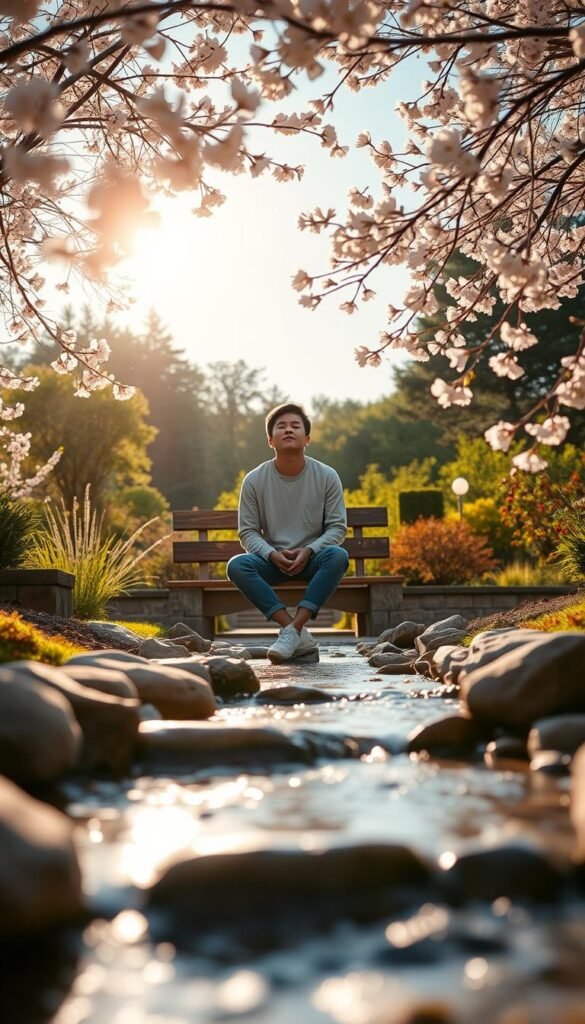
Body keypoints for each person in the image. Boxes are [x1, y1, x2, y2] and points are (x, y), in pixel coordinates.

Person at [227, 402, 349, 663]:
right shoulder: (254, 480)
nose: (288, 430)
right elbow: (247, 532)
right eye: (281, 427)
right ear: (270, 440)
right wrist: (271, 555)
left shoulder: (327, 476)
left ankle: (293, 628)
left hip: (313, 560)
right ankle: (294, 631)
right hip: (272, 561)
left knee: (338, 556)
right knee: (237, 565)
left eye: (296, 426)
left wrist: (309, 550)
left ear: (307, 438)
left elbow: (338, 527)